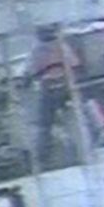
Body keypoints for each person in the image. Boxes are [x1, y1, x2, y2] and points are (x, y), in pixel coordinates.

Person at [29, 24, 82, 165]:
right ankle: (84, 149)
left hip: (49, 90)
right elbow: (75, 64)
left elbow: (32, 71)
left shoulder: (37, 50)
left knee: (44, 125)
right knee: (79, 118)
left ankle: (41, 158)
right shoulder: (63, 47)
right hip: (67, 88)